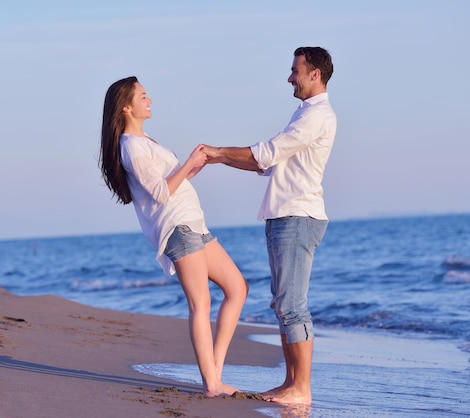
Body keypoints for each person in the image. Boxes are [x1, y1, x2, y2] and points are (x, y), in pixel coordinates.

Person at [202, 46, 337, 405]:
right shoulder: (303, 113)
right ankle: (290, 382)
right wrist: (220, 158)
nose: (289, 77)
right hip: (284, 214)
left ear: (315, 74)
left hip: (297, 216)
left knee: (293, 305)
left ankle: (301, 388)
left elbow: (267, 153)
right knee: (282, 304)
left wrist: (216, 153)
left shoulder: (316, 116)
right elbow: (266, 164)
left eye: (295, 70)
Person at [99, 76, 248, 397]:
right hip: (178, 228)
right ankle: (211, 384)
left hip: (195, 224)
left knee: (237, 288)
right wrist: (189, 164)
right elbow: (160, 193)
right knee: (200, 303)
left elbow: (172, 182)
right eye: (142, 96)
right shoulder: (132, 146)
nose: (149, 100)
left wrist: (197, 165)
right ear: (126, 107)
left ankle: (215, 371)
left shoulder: (146, 141)